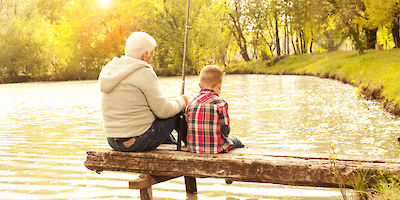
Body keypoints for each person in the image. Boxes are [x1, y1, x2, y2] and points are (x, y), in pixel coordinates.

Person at [98, 32, 188, 152]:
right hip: (137, 141)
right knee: (176, 111)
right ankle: (194, 145)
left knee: (157, 119)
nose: (151, 58)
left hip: (113, 141)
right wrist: (182, 101)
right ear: (145, 54)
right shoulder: (143, 72)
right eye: (152, 54)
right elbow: (164, 111)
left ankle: (173, 145)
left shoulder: (110, 69)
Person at [185, 65, 244, 154]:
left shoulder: (191, 103)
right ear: (219, 86)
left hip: (193, 148)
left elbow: (187, 125)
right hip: (216, 149)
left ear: (200, 86)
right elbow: (226, 131)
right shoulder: (221, 103)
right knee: (237, 141)